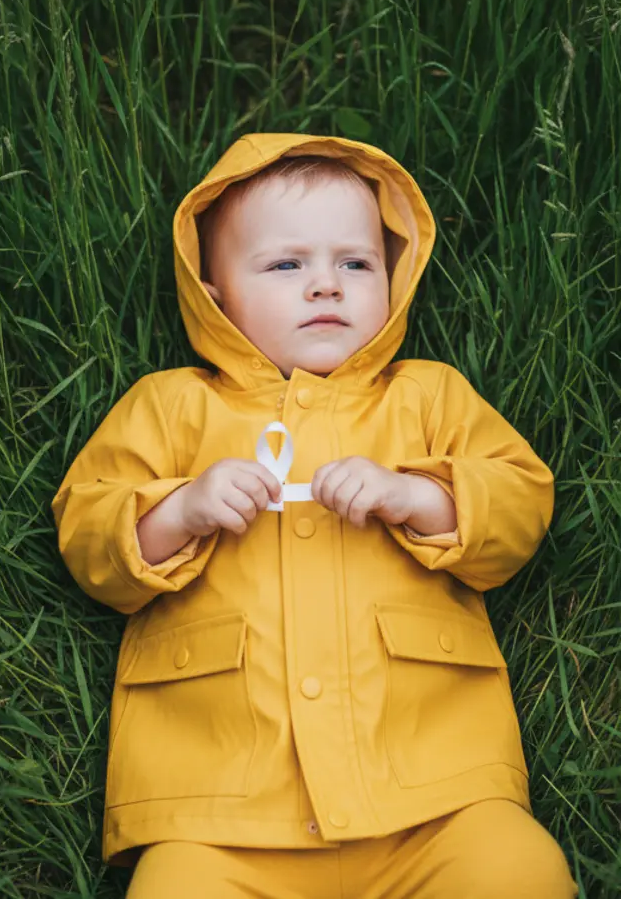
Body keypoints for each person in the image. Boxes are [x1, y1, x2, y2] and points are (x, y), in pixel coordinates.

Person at [52, 134, 577, 898]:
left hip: (433, 797)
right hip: (221, 812)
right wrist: (181, 508)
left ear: (392, 280)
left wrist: (416, 496)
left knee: (520, 871)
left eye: (355, 264)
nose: (326, 286)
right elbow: (87, 529)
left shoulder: (426, 396)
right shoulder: (170, 406)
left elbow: (521, 497)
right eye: (287, 264)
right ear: (215, 290)